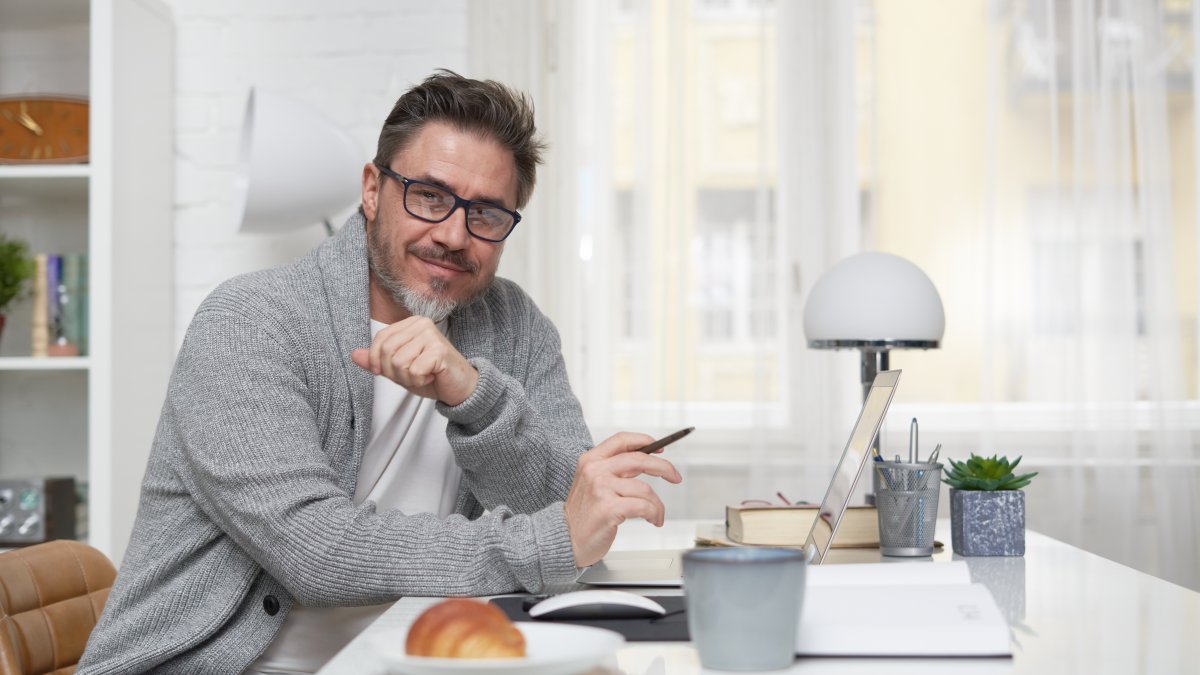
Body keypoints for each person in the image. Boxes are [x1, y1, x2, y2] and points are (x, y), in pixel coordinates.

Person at [77, 70, 681, 674]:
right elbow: (316, 550)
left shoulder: (514, 325)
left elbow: (568, 521)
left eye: (487, 213)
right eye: (430, 196)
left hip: (412, 659)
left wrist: (476, 397)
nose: (453, 235)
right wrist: (551, 540)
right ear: (372, 190)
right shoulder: (249, 323)